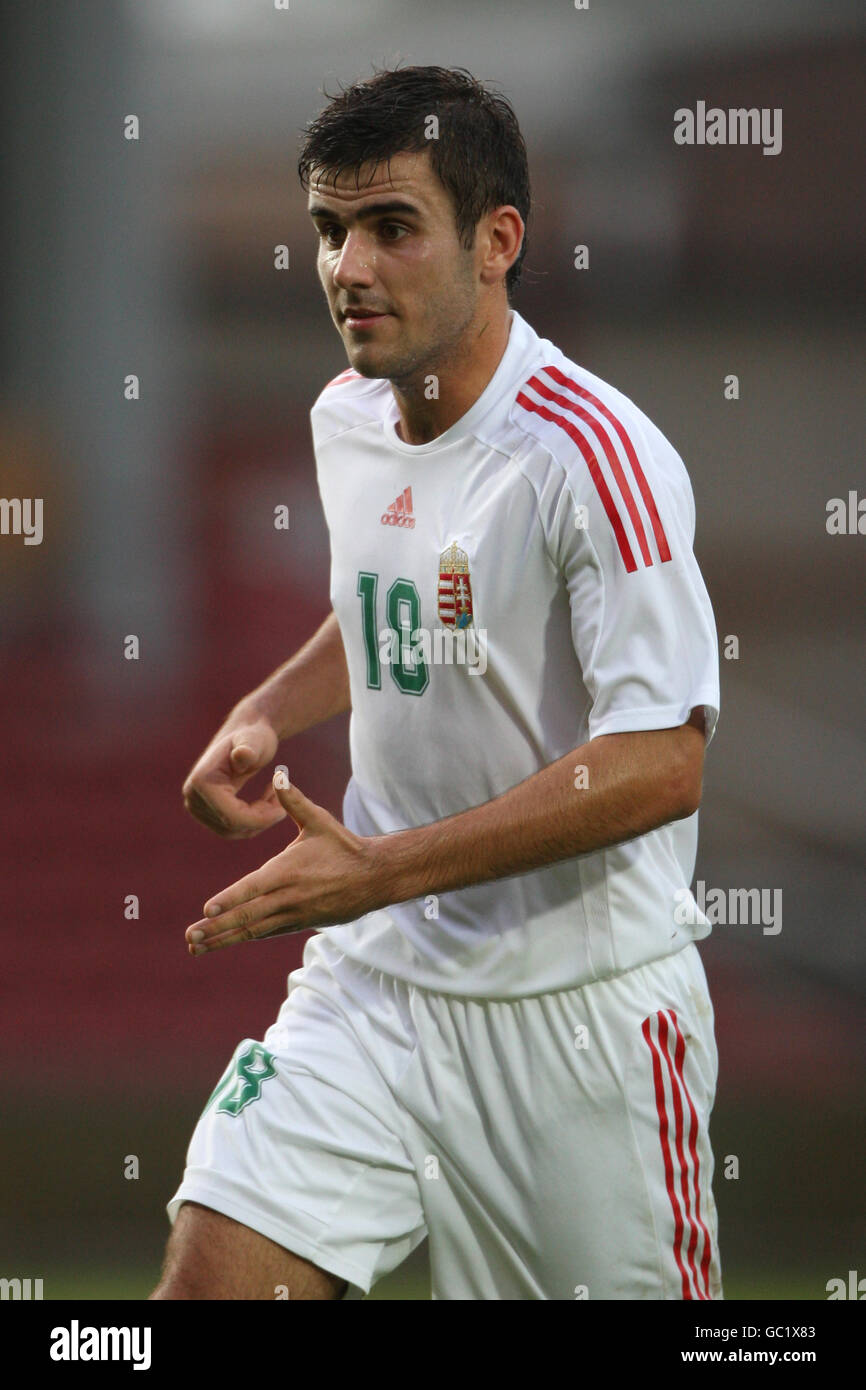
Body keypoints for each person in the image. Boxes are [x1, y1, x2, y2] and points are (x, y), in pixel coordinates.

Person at [151, 65, 722, 1301]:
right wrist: (265, 711)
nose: (348, 266)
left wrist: (380, 867)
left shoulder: (595, 456)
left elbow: (661, 758)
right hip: (372, 985)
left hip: (576, 1021)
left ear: (496, 240)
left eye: (391, 227)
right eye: (328, 230)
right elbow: (383, 601)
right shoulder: (351, 414)